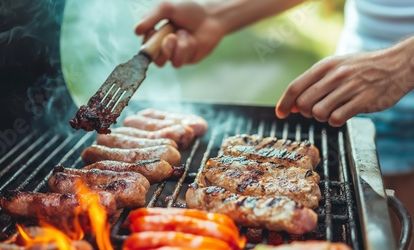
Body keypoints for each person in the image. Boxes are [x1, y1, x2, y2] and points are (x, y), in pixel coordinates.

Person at [135, 0, 414, 246]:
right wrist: (216, 14)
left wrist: (403, 63)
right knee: (379, 220)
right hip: (352, 87)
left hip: (379, 76)